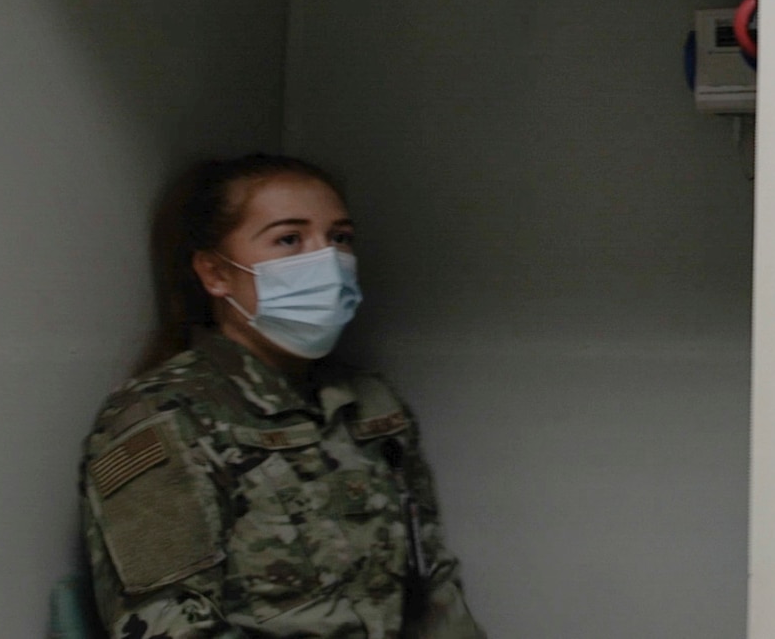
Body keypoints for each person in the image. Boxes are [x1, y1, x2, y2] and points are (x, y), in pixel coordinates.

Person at [79, 154, 486, 637]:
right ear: (215, 273)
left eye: (340, 238)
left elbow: (433, 593)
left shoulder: (372, 404)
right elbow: (167, 625)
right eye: (289, 240)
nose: (327, 261)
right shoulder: (165, 416)